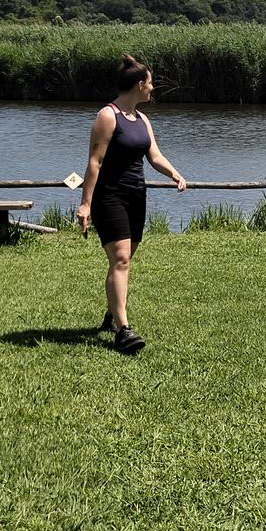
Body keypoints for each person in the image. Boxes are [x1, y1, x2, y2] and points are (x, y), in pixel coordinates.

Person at [75, 53, 186, 354]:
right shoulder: (107, 116)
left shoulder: (142, 120)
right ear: (139, 84)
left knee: (124, 259)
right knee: (121, 258)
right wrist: (85, 204)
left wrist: (174, 173)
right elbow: (94, 162)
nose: (153, 88)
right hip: (108, 197)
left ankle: (113, 312)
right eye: (150, 83)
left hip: (136, 195)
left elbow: (155, 156)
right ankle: (123, 330)